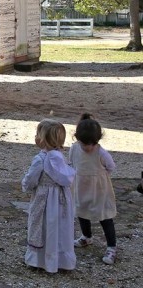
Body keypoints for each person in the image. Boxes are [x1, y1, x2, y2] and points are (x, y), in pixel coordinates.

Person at [22, 119, 76, 273]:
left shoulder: (40, 159)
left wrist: (25, 185)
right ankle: (60, 259)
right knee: (59, 227)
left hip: (44, 199)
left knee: (43, 225)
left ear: (42, 139)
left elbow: (32, 179)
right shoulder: (60, 158)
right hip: (61, 199)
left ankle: (41, 259)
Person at [68, 113, 118, 265]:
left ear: (96, 141)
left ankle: (112, 247)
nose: (87, 147)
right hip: (81, 187)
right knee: (82, 212)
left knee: (105, 217)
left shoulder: (101, 153)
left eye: (91, 144)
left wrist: (99, 178)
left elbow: (111, 167)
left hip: (99, 191)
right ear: (78, 139)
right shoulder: (74, 149)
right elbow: (72, 164)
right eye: (84, 144)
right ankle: (86, 236)